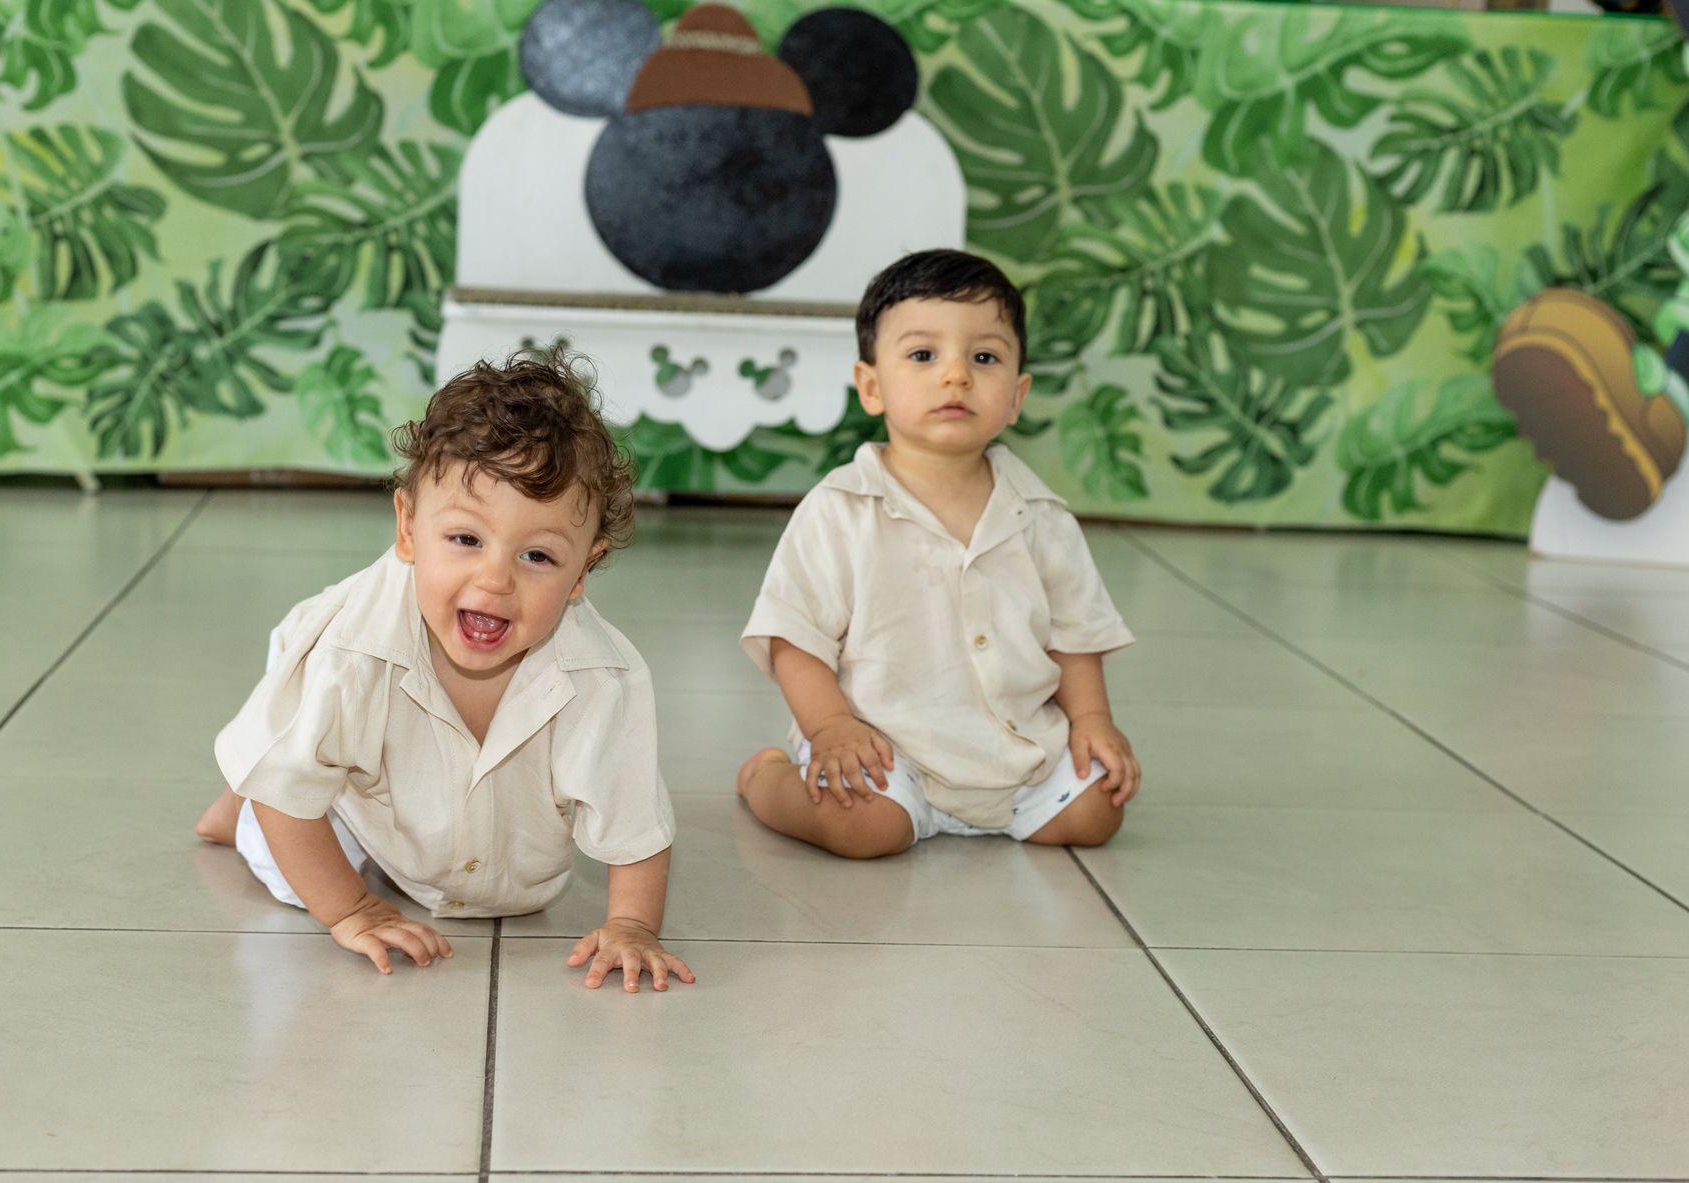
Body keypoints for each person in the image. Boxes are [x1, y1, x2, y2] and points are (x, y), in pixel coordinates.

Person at [196, 350, 693, 991]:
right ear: (408, 529)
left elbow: (634, 816)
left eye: (538, 556)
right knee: (289, 846)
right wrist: (353, 909)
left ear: (582, 573)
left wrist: (631, 924)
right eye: (466, 539)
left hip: (418, 796)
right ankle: (248, 784)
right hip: (359, 776)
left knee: (319, 757)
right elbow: (286, 803)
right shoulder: (352, 655)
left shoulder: (601, 679)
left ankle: (280, 753)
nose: (495, 579)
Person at [736, 249, 1140, 859]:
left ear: (1017, 396)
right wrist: (832, 727)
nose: (956, 376)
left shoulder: (1042, 516)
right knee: (864, 828)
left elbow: (1075, 638)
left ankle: (1020, 801)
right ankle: (765, 778)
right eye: (924, 355)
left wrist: (1092, 722)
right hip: (881, 749)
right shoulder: (841, 509)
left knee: (1097, 811)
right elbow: (795, 639)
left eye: (985, 357)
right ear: (872, 386)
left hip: (1017, 752)